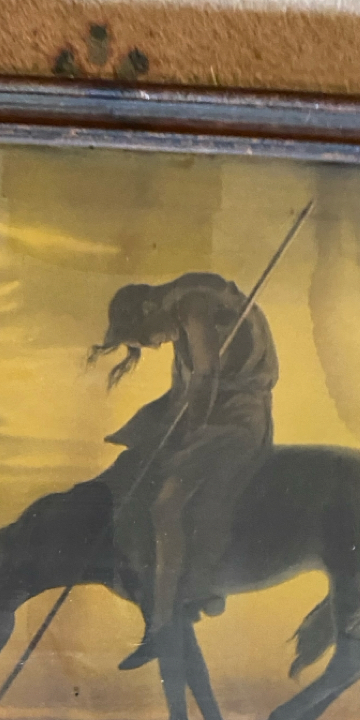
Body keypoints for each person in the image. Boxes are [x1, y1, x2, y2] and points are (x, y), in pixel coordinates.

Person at [90, 272, 279, 669]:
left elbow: (206, 373)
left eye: (146, 337)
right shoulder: (182, 307)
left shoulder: (193, 304)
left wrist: (191, 432)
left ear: (148, 309)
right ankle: (165, 610)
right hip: (214, 413)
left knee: (167, 505)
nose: (155, 345)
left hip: (236, 419)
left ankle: (183, 604)